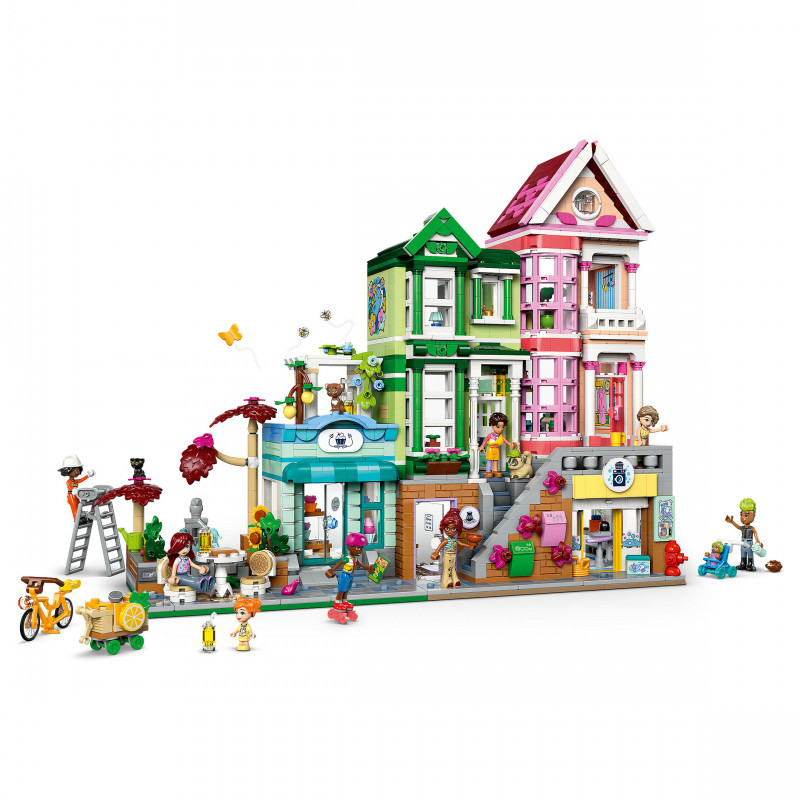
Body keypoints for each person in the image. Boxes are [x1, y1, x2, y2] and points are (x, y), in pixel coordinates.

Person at [325, 532, 375, 621]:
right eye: (358, 548)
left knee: (347, 589)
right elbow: (340, 562)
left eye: (361, 548)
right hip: (345, 575)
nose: (360, 551)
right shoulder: (348, 558)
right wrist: (332, 570)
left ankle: (344, 601)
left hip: (351, 576)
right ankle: (337, 602)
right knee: (341, 589)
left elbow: (360, 564)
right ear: (349, 547)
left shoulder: (355, 559)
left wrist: (368, 568)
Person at [430, 508, 470, 589]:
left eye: (453, 529)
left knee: (453, 568)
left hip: (453, 555)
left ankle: (454, 579)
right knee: (447, 568)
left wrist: (468, 546)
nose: (450, 531)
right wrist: (436, 553)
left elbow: (460, 543)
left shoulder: (454, 539)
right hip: (447, 555)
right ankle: (446, 582)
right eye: (447, 528)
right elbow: (440, 546)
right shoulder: (446, 540)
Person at [725, 498, 762, 572]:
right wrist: (732, 522)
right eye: (741, 515)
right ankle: (743, 563)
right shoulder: (742, 528)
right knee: (743, 553)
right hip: (742, 542)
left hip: (749, 542)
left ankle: (750, 564)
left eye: (746, 515)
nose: (743, 518)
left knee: (750, 553)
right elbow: (738, 526)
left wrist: (758, 541)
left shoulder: (752, 528)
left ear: (753, 516)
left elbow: (755, 534)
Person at [479, 412, 519, 478]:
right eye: (498, 427)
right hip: (490, 449)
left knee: (495, 460)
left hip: (496, 449)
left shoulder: (501, 436)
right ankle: (488, 471)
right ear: (492, 425)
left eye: (502, 427)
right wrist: (482, 447)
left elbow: (505, 441)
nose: (500, 429)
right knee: (489, 460)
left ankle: (495, 470)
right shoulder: (490, 435)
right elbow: (485, 441)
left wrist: (510, 444)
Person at [58, 454, 95, 520]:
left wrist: (88, 475)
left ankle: (81, 518)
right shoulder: (69, 481)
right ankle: (76, 519)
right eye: (75, 470)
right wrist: (73, 489)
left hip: (76, 495)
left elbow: (81, 480)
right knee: (74, 508)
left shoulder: (75, 481)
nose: (77, 472)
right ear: (68, 470)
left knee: (79, 506)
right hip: (71, 496)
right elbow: (69, 486)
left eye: (78, 470)